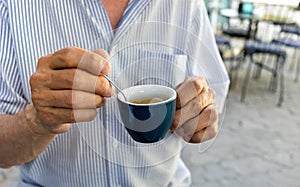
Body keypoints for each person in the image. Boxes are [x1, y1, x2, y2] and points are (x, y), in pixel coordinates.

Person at [0, 0, 230, 186]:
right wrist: (36, 121)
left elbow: (212, 98)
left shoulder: (186, 5)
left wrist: (198, 112)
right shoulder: (15, 7)